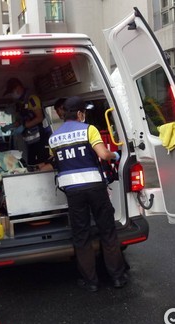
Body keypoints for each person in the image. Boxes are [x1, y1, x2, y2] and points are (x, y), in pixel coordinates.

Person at [47, 96, 127, 292]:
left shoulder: (54, 137)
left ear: (64, 114)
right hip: (95, 188)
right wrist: (115, 154)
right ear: (81, 113)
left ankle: (91, 282)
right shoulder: (88, 129)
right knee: (107, 231)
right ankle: (117, 277)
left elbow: (55, 161)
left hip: (73, 192)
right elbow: (103, 154)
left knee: (81, 235)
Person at [1, 78, 52, 165]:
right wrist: (11, 126)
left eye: (11, 92)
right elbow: (23, 119)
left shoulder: (32, 99)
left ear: (18, 88)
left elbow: (40, 117)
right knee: (31, 163)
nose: (11, 95)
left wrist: (24, 126)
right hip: (31, 141)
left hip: (41, 139)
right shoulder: (21, 102)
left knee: (42, 164)